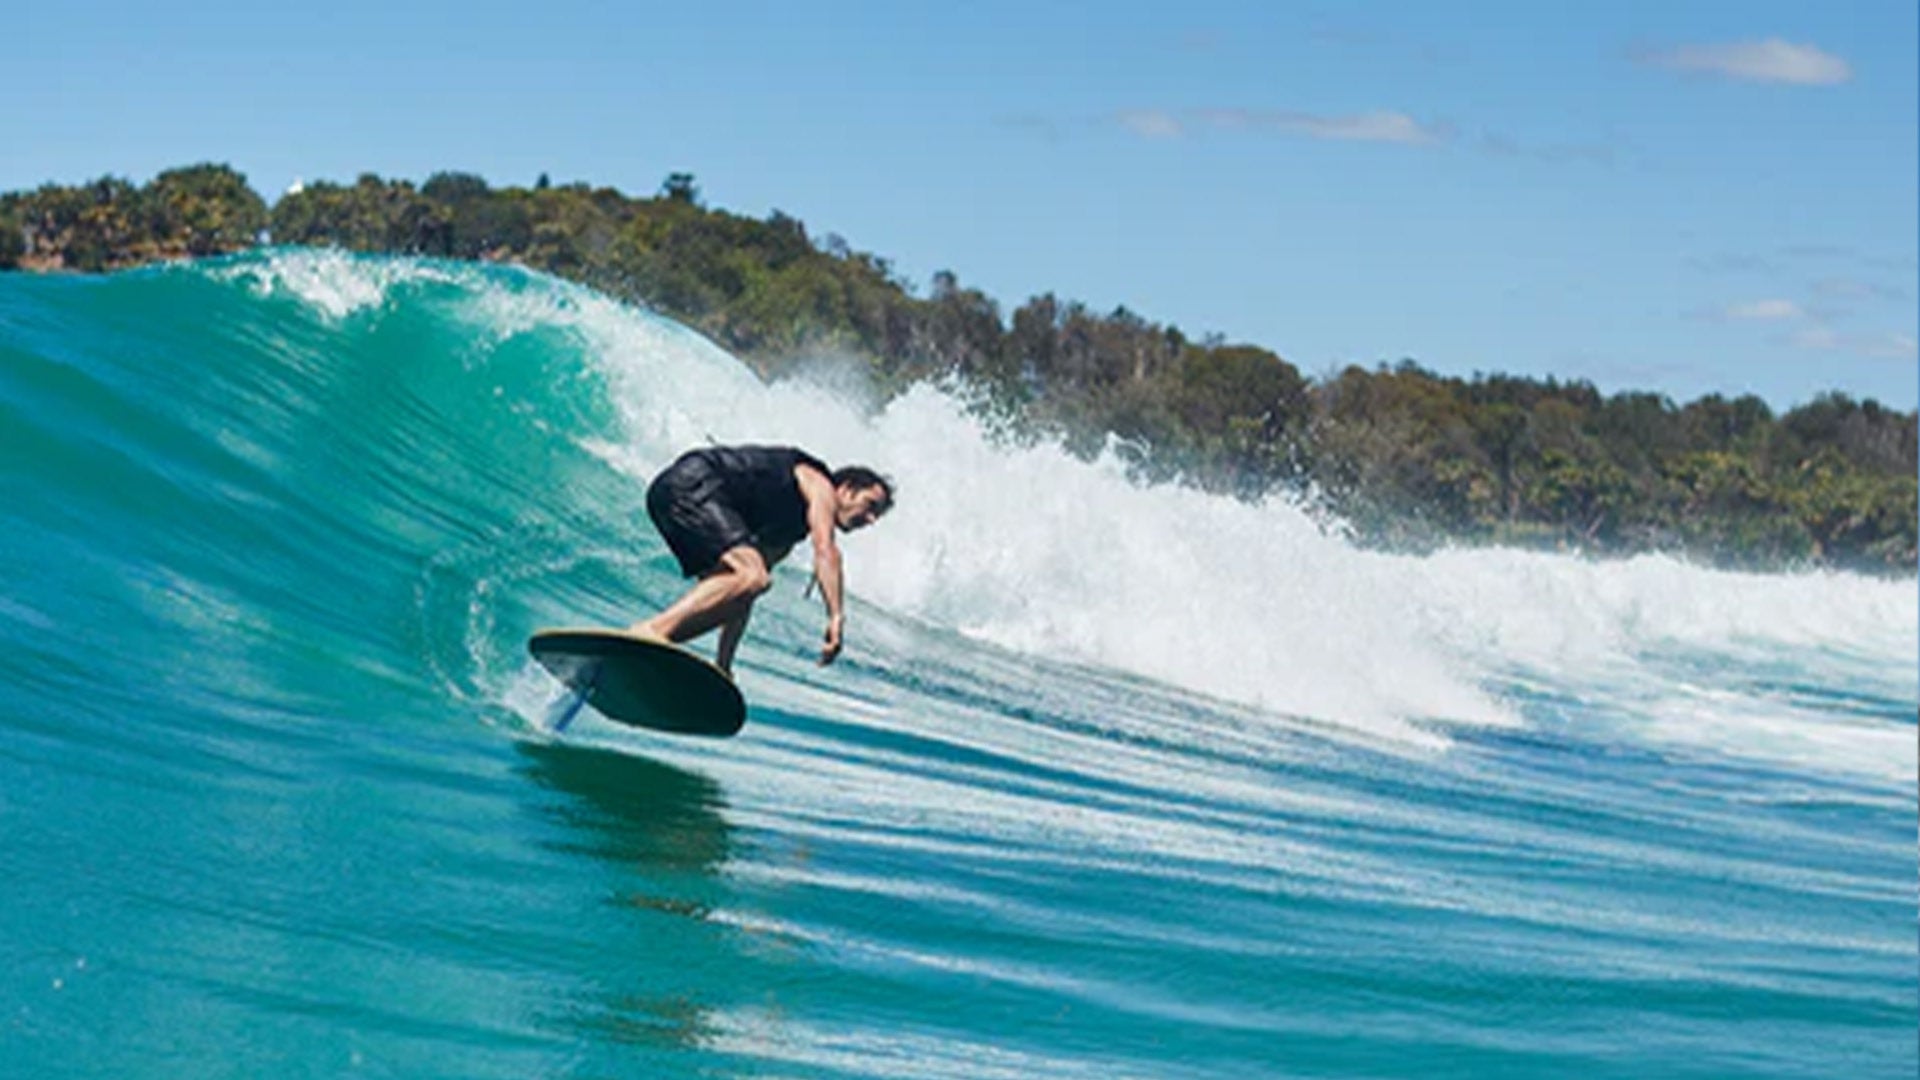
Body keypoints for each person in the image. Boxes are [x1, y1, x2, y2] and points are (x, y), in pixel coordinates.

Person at [631, 445, 893, 674]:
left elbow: (743, 596)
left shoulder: (784, 536)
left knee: (748, 582)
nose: (870, 520)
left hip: (669, 497)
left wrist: (723, 664)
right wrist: (836, 616)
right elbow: (825, 550)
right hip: (693, 484)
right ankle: (652, 633)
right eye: (870, 505)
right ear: (846, 490)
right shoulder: (820, 484)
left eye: (876, 516)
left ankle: (651, 637)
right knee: (753, 575)